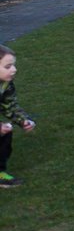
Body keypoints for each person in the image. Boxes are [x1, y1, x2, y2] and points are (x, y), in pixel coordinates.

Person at [0, 44, 36, 188]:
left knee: (4, 135)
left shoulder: (6, 84)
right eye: (7, 67)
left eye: (13, 65)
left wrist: (23, 121)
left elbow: (9, 105)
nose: (14, 70)